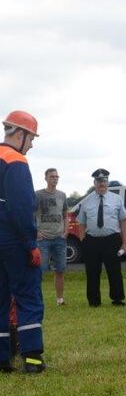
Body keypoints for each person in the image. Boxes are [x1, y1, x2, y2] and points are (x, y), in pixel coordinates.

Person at [0, 110, 45, 373]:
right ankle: (32, 358)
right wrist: (30, 243)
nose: (31, 145)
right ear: (21, 133)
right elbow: (21, 207)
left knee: (1, 300)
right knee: (28, 296)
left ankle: (3, 359)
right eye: (31, 139)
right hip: (12, 239)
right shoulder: (15, 161)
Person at [77, 169, 126, 307]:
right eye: (99, 181)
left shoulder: (117, 199)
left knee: (114, 271)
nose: (102, 184)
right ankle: (94, 301)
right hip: (92, 241)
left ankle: (117, 299)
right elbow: (81, 223)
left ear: (107, 182)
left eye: (104, 181)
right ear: (94, 183)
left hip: (112, 240)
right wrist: (83, 240)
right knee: (92, 272)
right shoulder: (86, 201)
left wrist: (125, 243)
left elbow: (123, 221)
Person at [35, 168, 68, 305]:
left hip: (59, 238)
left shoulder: (62, 195)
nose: (55, 178)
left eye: (57, 176)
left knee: (59, 270)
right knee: (38, 272)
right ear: (46, 178)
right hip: (43, 239)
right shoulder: (37, 195)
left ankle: (60, 299)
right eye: (52, 176)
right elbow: (30, 214)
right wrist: (36, 231)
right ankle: (37, 300)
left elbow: (65, 214)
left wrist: (65, 231)